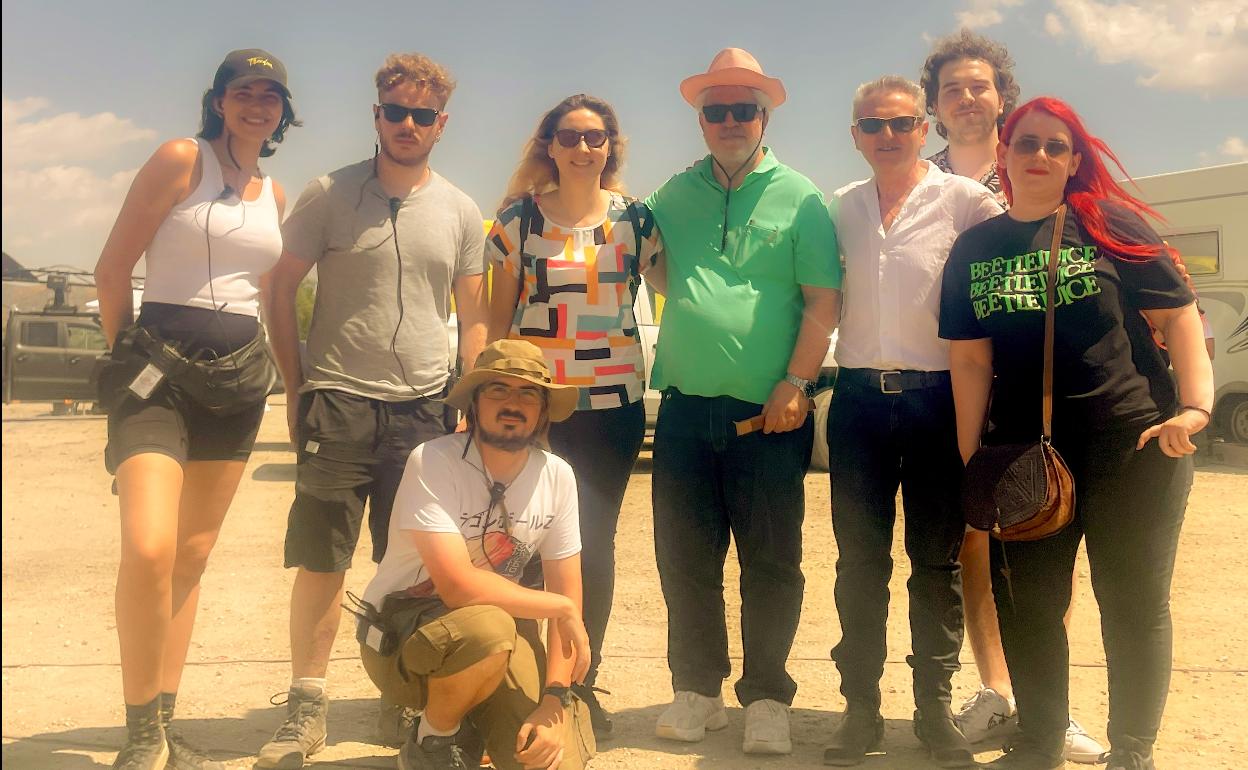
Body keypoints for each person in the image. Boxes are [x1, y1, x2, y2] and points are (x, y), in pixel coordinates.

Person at [939, 96, 1214, 770]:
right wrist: (971, 452)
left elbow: (1179, 318)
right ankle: (1039, 741)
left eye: (1055, 146)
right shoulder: (976, 246)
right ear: (1003, 154)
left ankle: (1132, 751)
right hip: (1023, 453)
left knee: (1132, 601)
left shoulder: (1108, 225)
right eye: (1026, 143)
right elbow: (970, 358)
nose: (1038, 156)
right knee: (1031, 605)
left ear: (1073, 160)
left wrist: (1196, 408)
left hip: (1134, 444)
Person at [257, 52, 488, 768]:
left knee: (410, 567)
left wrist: (466, 400)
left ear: (441, 124)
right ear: (377, 115)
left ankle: (402, 692)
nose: (409, 125)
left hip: (423, 412)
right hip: (339, 402)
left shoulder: (459, 209)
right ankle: (307, 705)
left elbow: (475, 318)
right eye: (397, 112)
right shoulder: (328, 194)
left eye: (423, 116)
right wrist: (296, 389)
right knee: (323, 559)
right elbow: (278, 291)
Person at [93, 49, 297, 770]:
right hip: (158, 376)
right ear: (218, 101)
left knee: (190, 555)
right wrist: (126, 367)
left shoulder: (274, 194)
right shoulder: (181, 159)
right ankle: (139, 728)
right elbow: (112, 268)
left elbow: (270, 295)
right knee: (148, 547)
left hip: (237, 384)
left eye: (270, 95)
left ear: (282, 112)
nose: (257, 104)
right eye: (244, 91)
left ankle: (163, 725)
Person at [646, 48, 841, 756]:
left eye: (743, 109)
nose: (730, 121)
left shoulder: (804, 196)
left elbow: (824, 300)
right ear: (700, 120)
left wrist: (797, 383)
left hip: (771, 414)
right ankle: (698, 690)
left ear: (765, 116)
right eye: (716, 110)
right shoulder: (670, 195)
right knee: (684, 559)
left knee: (771, 561)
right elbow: (661, 271)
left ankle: (766, 697)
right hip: (684, 410)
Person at [919, 30, 1106, 763]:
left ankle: (1045, 704)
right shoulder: (918, 177)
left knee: (1046, 548)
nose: (967, 98)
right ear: (934, 105)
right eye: (952, 88)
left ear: (1002, 95)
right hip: (948, 388)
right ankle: (997, 689)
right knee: (975, 548)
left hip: (1040, 402)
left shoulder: (1039, 165)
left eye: (980, 85)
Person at [821, 75, 1001, 769]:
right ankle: (860, 709)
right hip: (860, 403)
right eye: (873, 126)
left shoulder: (968, 203)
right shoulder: (839, 208)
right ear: (856, 135)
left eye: (901, 124)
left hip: (938, 403)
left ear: (923, 129)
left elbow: (1006, 287)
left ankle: (932, 709)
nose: (887, 137)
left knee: (936, 563)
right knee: (858, 564)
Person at [485, 94, 663, 740]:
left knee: (590, 550)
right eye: (571, 136)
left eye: (596, 137)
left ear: (611, 146)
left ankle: (578, 686)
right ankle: (519, 684)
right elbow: (495, 318)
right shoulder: (517, 222)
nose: (584, 147)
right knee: (519, 546)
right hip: (533, 412)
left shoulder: (638, 222)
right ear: (550, 145)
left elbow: (684, 287)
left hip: (612, 410)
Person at [357, 339, 594, 770]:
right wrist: (559, 607)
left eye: (528, 394)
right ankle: (435, 736)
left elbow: (568, 590)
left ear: (542, 411)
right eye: (498, 390)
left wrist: (554, 700)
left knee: (545, 758)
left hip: (497, 636)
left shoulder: (558, 476)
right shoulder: (433, 460)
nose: (513, 403)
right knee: (490, 626)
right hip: (402, 633)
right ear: (473, 404)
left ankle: (477, 726)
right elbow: (457, 585)